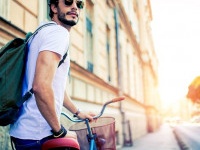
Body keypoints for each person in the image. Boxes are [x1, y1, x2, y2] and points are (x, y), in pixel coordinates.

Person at [10, 0, 95, 149]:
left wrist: (78, 112)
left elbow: (55, 86)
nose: (74, 7)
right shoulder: (58, 33)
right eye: (68, 2)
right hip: (39, 134)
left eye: (79, 4)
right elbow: (41, 86)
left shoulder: (41, 32)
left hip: (24, 132)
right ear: (54, 7)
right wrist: (59, 131)